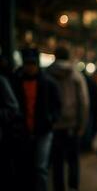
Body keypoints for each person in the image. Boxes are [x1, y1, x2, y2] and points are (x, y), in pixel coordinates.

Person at [12, 47, 61, 191]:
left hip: (43, 131)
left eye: (32, 64)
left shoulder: (48, 83)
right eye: (28, 64)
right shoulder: (17, 81)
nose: (30, 67)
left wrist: (51, 120)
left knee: (40, 168)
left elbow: (57, 105)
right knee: (26, 168)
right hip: (23, 131)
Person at [46, 46, 90, 191]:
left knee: (57, 161)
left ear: (55, 56)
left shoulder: (47, 73)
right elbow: (84, 102)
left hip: (53, 124)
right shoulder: (76, 75)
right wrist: (82, 125)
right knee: (73, 159)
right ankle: (73, 186)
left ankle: (59, 187)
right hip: (73, 124)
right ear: (68, 57)